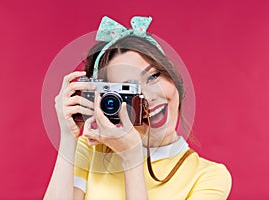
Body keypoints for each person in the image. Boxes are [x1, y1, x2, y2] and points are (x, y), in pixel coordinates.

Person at [44, 16, 232, 200]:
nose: (149, 97)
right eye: (129, 90)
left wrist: (131, 160)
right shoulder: (91, 150)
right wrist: (68, 138)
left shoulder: (210, 177)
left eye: (153, 77)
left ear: (172, 76)